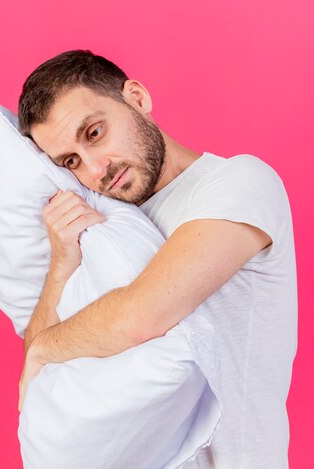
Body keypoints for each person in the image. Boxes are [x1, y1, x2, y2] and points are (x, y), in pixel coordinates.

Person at [16, 49, 298, 468]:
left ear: (137, 98)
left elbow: (139, 318)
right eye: (71, 161)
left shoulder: (239, 182)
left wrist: (42, 348)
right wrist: (62, 261)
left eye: (94, 133)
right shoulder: (111, 225)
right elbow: (40, 383)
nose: (95, 169)